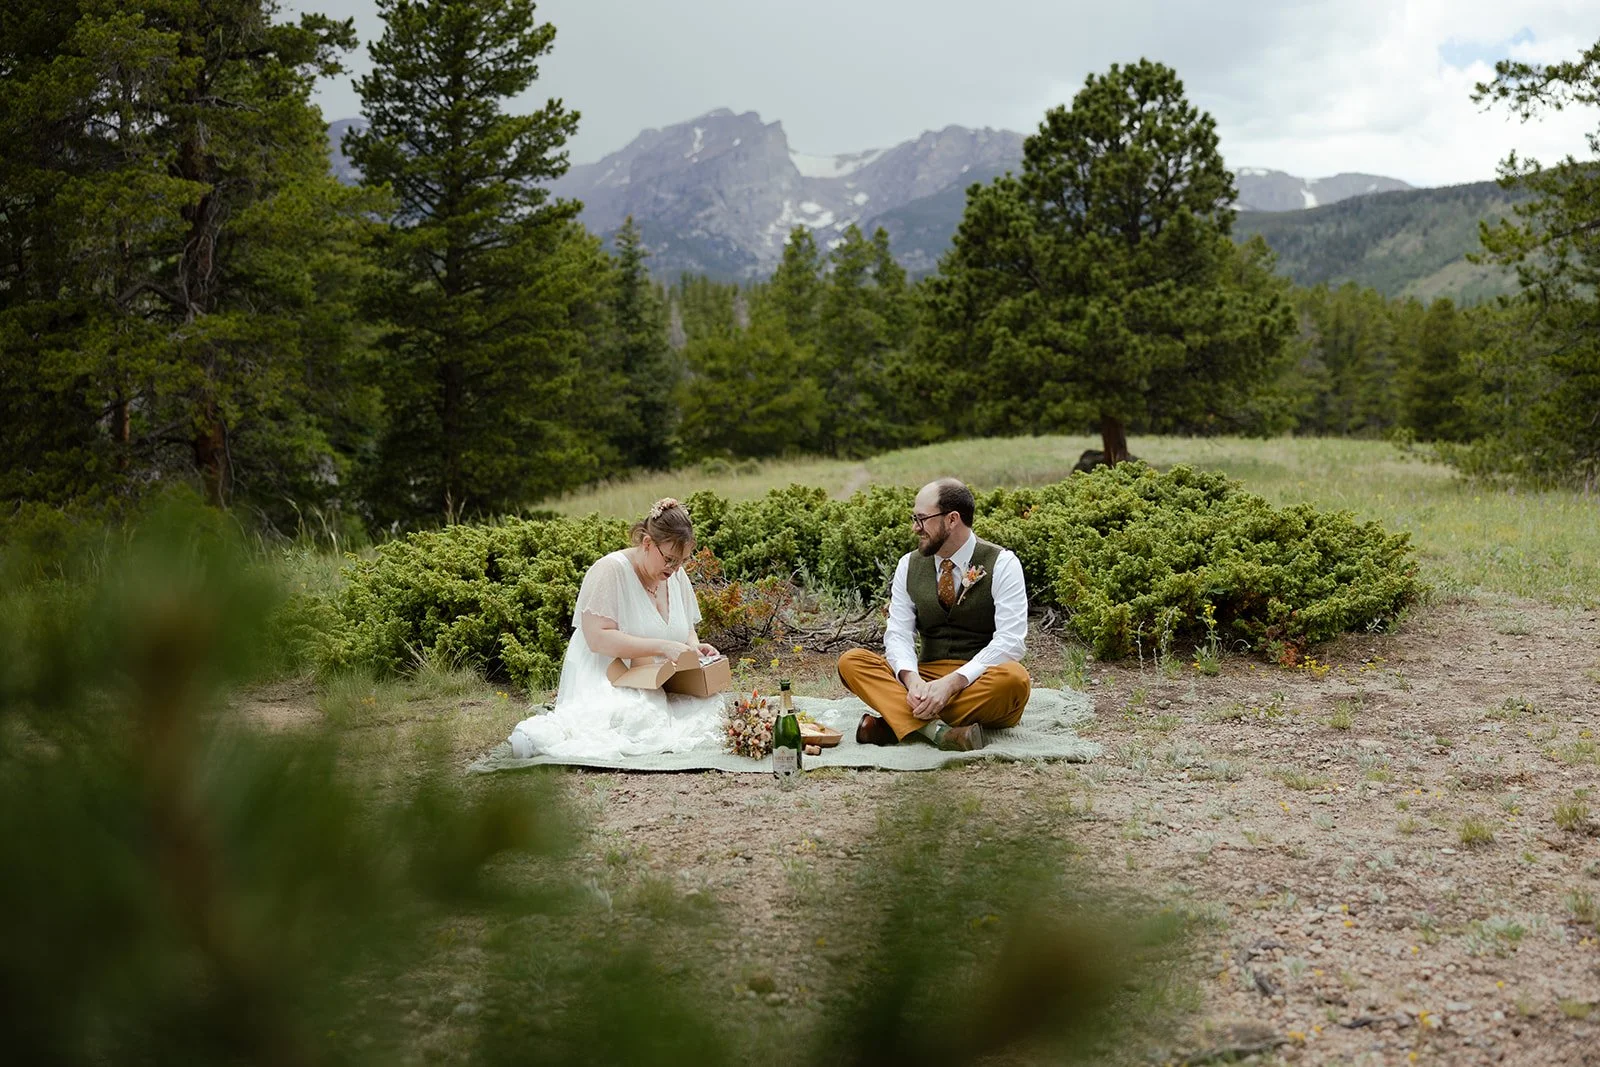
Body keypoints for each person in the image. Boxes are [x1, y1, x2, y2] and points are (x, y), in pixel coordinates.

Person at [507, 498, 724, 760]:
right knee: (638, 716)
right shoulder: (609, 571)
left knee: (708, 706)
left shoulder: (675, 574)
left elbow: (685, 626)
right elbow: (598, 639)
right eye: (669, 559)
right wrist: (662, 647)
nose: (674, 568)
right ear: (646, 543)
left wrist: (693, 647)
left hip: (654, 677)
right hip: (609, 673)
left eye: (682, 561)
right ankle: (536, 737)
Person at [837, 478, 1030, 751]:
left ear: (952, 519)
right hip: (925, 678)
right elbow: (898, 634)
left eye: (922, 519)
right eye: (914, 518)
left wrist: (952, 684)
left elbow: (1011, 641)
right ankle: (937, 732)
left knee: (1014, 680)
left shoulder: (1003, 563)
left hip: (980, 681)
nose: (915, 527)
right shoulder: (909, 564)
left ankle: (894, 723)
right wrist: (912, 679)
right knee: (851, 662)